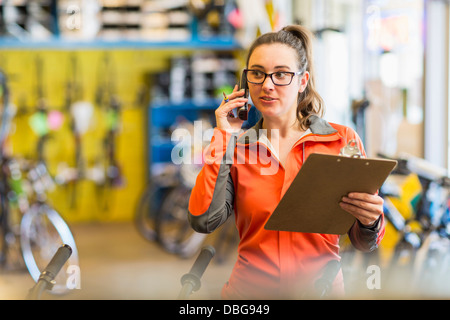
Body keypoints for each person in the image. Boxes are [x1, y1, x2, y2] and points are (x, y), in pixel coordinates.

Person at [187, 24, 385, 299]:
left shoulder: (341, 141)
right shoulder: (237, 147)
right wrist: (222, 136)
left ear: (302, 81)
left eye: (281, 74)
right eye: (257, 74)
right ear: (246, 81)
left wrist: (371, 221)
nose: (267, 84)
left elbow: (364, 242)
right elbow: (203, 220)